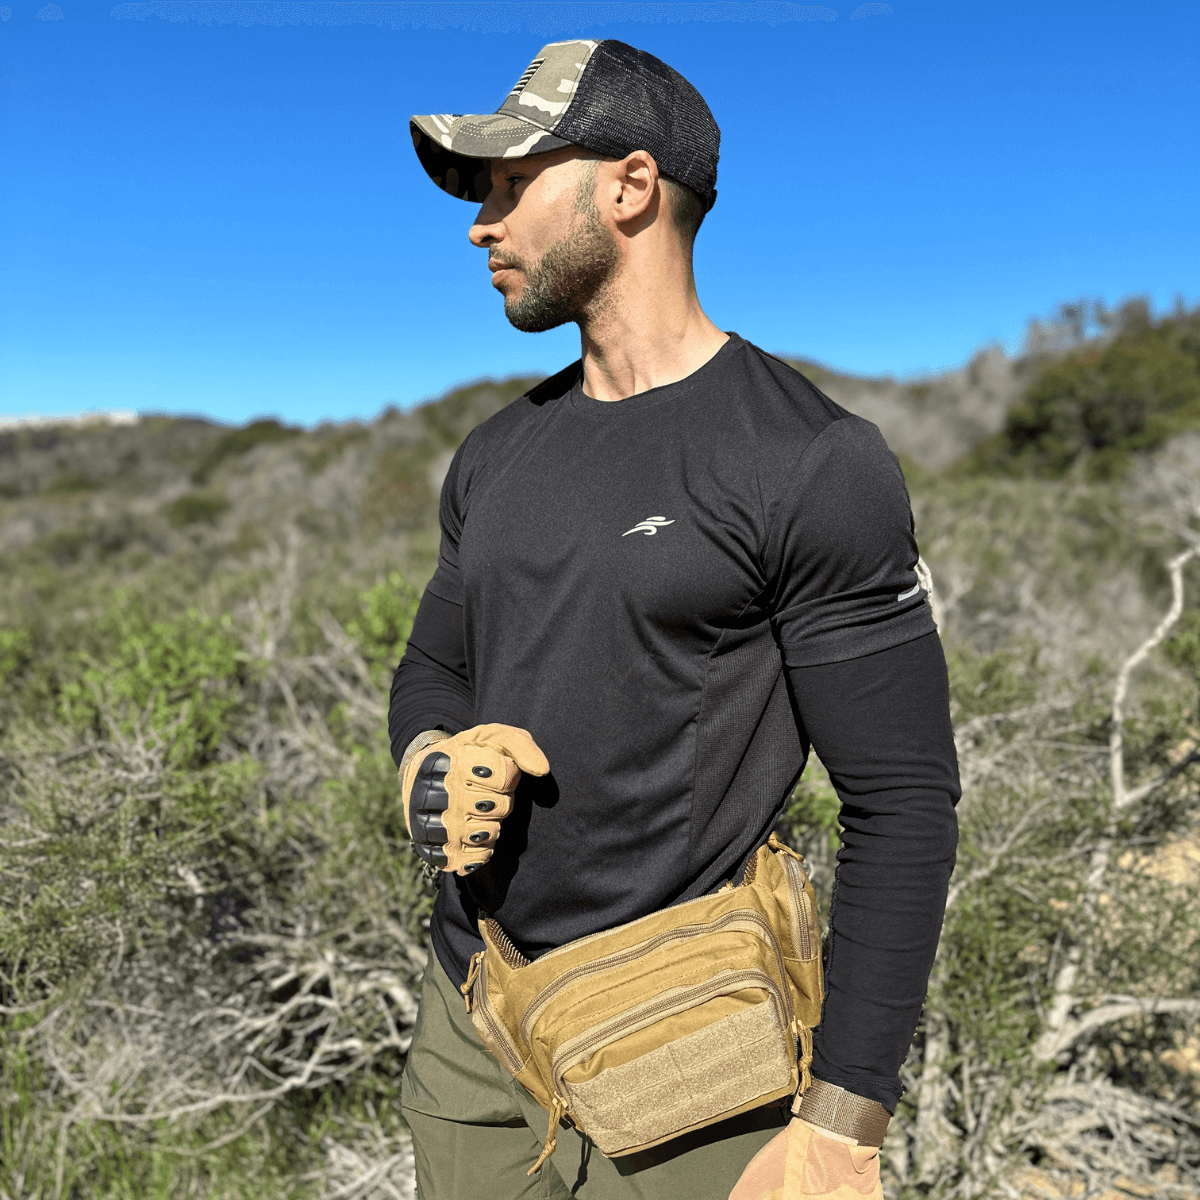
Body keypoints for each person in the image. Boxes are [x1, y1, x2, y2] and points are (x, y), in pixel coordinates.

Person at [389, 38, 960, 1200]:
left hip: (689, 1050)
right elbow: (434, 662)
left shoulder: (805, 461)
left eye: (510, 186)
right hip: (477, 1029)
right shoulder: (497, 452)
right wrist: (432, 760)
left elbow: (902, 801)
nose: (478, 225)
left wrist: (844, 1121)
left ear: (631, 186)